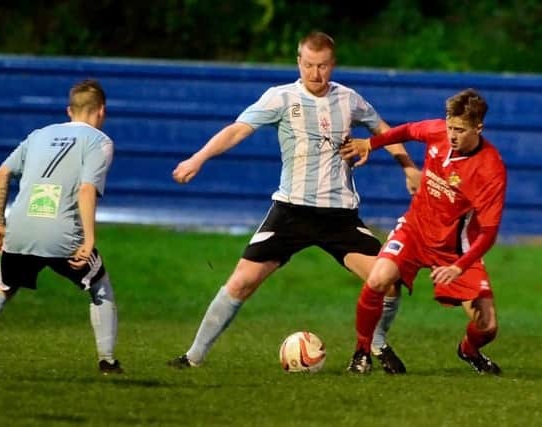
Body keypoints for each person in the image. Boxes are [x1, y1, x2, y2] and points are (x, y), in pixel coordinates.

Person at [168, 31, 421, 373]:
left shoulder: (349, 99)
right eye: (309, 65)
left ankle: (376, 344)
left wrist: (408, 167)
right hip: (291, 212)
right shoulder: (281, 98)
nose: (316, 74)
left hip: (339, 217)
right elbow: (237, 130)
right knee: (241, 281)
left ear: (333, 64)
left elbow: (384, 131)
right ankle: (193, 357)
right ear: (298, 62)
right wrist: (198, 158)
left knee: (388, 281)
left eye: (324, 66)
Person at [0, 79, 122, 375]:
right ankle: (107, 361)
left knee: (4, 287)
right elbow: (86, 190)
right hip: (62, 234)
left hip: (21, 228)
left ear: (69, 110)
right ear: (102, 111)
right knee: (99, 283)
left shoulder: (38, 134)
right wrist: (89, 239)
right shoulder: (100, 141)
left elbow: (1, 174)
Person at [341, 88, 506, 375]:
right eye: (450, 127)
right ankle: (361, 353)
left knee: (488, 325)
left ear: (479, 127)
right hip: (415, 231)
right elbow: (405, 130)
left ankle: (468, 350)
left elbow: (489, 233)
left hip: (455, 250)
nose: (452, 135)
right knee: (378, 279)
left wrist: (459, 266)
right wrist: (371, 143)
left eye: (461, 130)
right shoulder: (437, 132)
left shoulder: (491, 170)